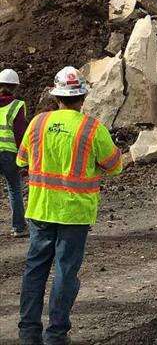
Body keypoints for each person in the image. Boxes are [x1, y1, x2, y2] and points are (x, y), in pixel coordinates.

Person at [17, 66, 123, 345]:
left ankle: (28, 332)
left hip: (40, 209)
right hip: (74, 214)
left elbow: (22, 160)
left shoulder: (38, 123)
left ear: (56, 96)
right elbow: (114, 166)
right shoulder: (91, 128)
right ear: (83, 97)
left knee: (35, 269)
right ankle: (56, 334)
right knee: (65, 271)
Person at [0, 68, 28, 237]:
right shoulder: (17, 105)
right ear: (15, 87)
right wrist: (24, 157)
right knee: (14, 189)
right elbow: (19, 133)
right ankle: (18, 227)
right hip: (9, 153)